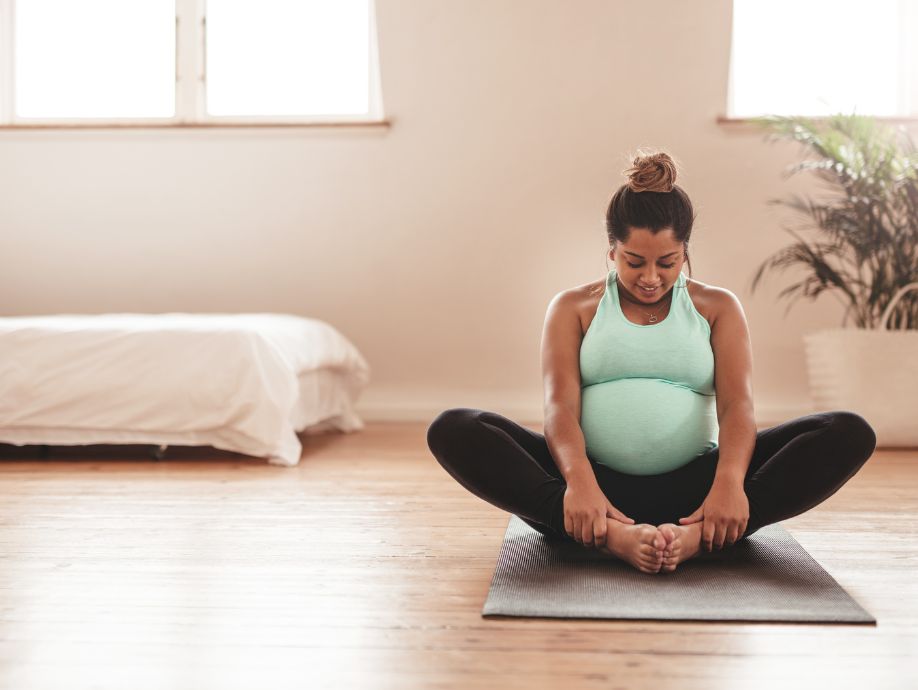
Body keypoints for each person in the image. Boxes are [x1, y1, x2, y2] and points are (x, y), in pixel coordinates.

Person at [426, 150, 877, 575]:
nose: (650, 277)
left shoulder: (717, 307)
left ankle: (700, 535)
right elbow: (559, 408)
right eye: (634, 261)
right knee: (456, 427)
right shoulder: (572, 307)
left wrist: (729, 483)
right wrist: (580, 483)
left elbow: (738, 407)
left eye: (668, 262)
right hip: (591, 488)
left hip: (696, 489)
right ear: (611, 251)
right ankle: (610, 534)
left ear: (685, 252)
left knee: (847, 431)